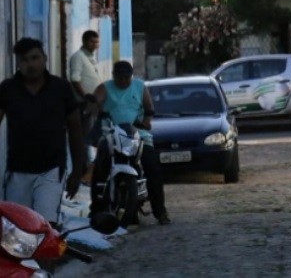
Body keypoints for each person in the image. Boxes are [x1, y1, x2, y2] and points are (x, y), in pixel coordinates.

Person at [0, 37, 84, 227]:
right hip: (17, 172)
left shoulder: (61, 88)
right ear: (18, 63)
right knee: (18, 229)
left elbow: (75, 129)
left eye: (34, 58)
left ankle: (44, 258)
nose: (31, 65)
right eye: (24, 60)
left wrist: (77, 171)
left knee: (45, 228)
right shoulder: (8, 89)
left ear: (44, 58)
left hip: (51, 170)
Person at [90, 60, 170, 225]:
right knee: (99, 166)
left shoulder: (140, 87)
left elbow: (149, 107)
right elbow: (95, 101)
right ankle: (96, 209)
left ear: (131, 76)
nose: (124, 81)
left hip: (138, 134)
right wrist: (93, 108)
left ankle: (160, 212)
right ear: (114, 76)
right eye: (120, 78)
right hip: (112, 133)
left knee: (152, 168)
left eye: (127, 78)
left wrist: (147, 120)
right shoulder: (105, 87)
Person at [69, 30, 101, 182]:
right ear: (84, 41)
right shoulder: (78, 57)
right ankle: (83, 172)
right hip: (84, 105)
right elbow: (75, 79)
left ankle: (88, 172)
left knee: (91, 138)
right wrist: (85, 97)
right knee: (85, 139)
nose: (94, 45)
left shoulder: (90, 58)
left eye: (96, 42)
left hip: (92, 104)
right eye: (91, 42)